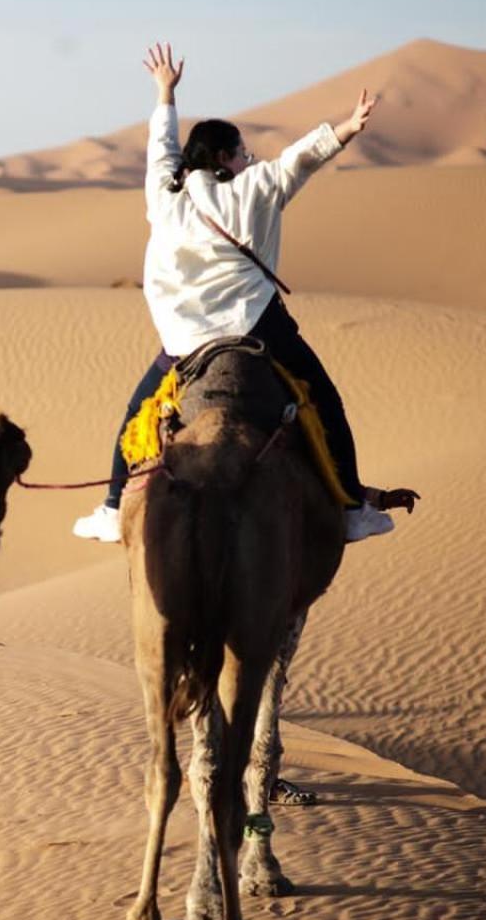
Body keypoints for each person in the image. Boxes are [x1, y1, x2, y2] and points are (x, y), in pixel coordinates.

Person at [72, 42, 399, 545]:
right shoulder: (255, 188)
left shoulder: (165, 197)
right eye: (243, 153)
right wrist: (347, 129)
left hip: (183, 340)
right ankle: (353, 508)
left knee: (138, 412)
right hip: (255, 326)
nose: (251, 160)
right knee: (324, 398)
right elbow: (300, 160)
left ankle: (115, 508)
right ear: (225, 159)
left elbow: (161, 149)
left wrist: (164, 94)